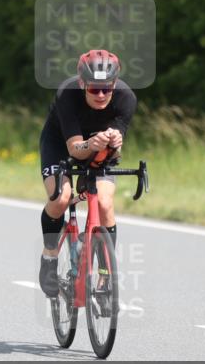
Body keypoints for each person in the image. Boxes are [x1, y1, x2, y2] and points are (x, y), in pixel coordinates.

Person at [37, 49, 137, 296]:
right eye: (94, 89)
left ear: (115, 84)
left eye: (107, 88)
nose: (101, 95)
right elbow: (75, 148)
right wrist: (90, 144)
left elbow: (113, 154)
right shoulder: (67, 94)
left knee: (104, 203)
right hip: (61, 143)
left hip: (99, 148)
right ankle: (49, 256)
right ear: (82, 83)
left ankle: (105, 274)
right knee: (61, 198)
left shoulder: (126, 98)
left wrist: (113, 144)